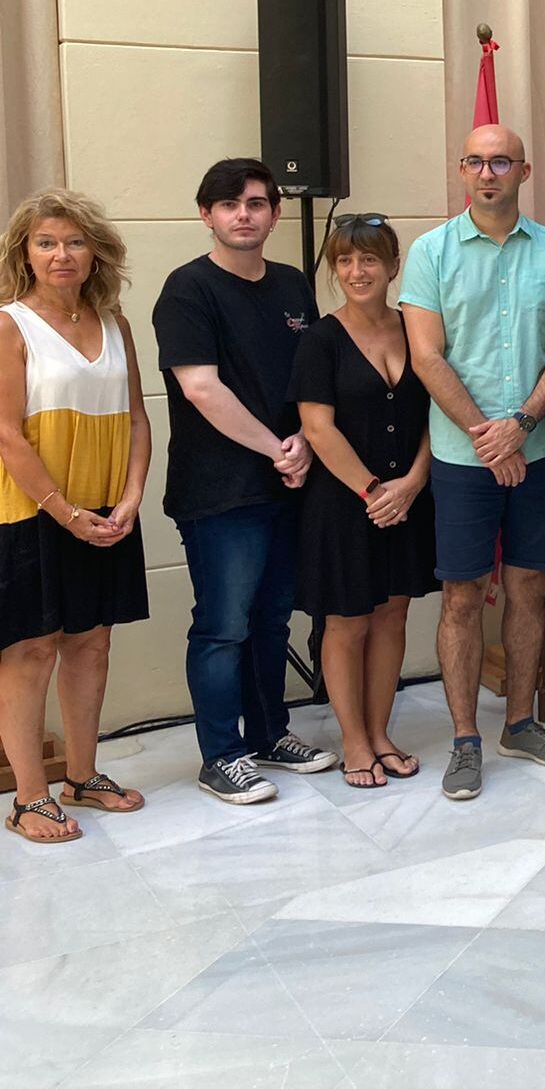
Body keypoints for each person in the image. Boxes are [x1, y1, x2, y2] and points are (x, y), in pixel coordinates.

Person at [402, 125, 545, 800]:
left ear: (523, 171)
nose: (487, 173)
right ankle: (465, 741)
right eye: (475, 161)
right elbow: (426, 355)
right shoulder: (430, 252)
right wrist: (487, 436)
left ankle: (520, 723)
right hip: (461, 452)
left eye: (500, 161)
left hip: (539, 444)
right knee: (461, 596)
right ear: (461, 171)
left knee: (532, 588)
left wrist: (521, 427)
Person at [155, 159, 337, 804]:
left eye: (256, 203)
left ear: (274, 214)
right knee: (223, 625)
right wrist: (279, 449)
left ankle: (269, 734)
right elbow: (202, 388)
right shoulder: (187, 290)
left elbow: (313, 379)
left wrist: (306, 449)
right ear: (206, 214)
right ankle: (222, 755)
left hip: (291, 483)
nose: (243, 214)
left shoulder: (292, 285)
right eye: (229, 204)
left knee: (271, 621)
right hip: (221, 491)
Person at [0, 190, 150, 841]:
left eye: (74, 242)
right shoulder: (10, 325)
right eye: (46, 242)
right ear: (25, 254)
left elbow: (139, 416)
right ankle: (30, 797)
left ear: (96, 253)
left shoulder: (115, 323)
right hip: (33, 511)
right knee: (31, 651)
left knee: (91, 643)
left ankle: (83, 777)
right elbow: (7, 435)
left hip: (106, 508)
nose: (61, 254)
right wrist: (64, 512)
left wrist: (131, 496)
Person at [291, 215, 438, 789]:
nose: (357, 271)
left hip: (409, 497)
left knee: (393, 614)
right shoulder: (320, 339)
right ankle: (354, 740)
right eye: (346, 261)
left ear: (393, 267)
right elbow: (317, 428)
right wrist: (375, 491)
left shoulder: (417, 329)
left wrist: (415, 482)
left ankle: (380, 732)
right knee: (347, 621)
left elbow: (436, 414)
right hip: (345, 504)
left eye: (369, 260)